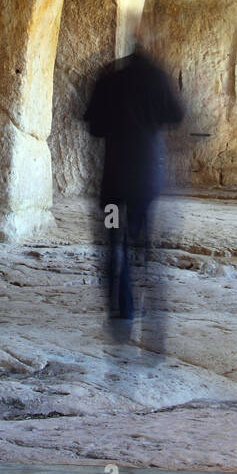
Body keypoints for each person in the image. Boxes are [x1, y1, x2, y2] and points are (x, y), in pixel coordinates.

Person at [83, 25, 184, 332]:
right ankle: (150, 307)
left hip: (114, 180)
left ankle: (122, 308)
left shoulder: (109, 77)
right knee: (143, 242)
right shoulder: (158, 78)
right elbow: (176, 116)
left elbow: (94, 126)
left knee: (115, 240)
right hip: (147, 179)